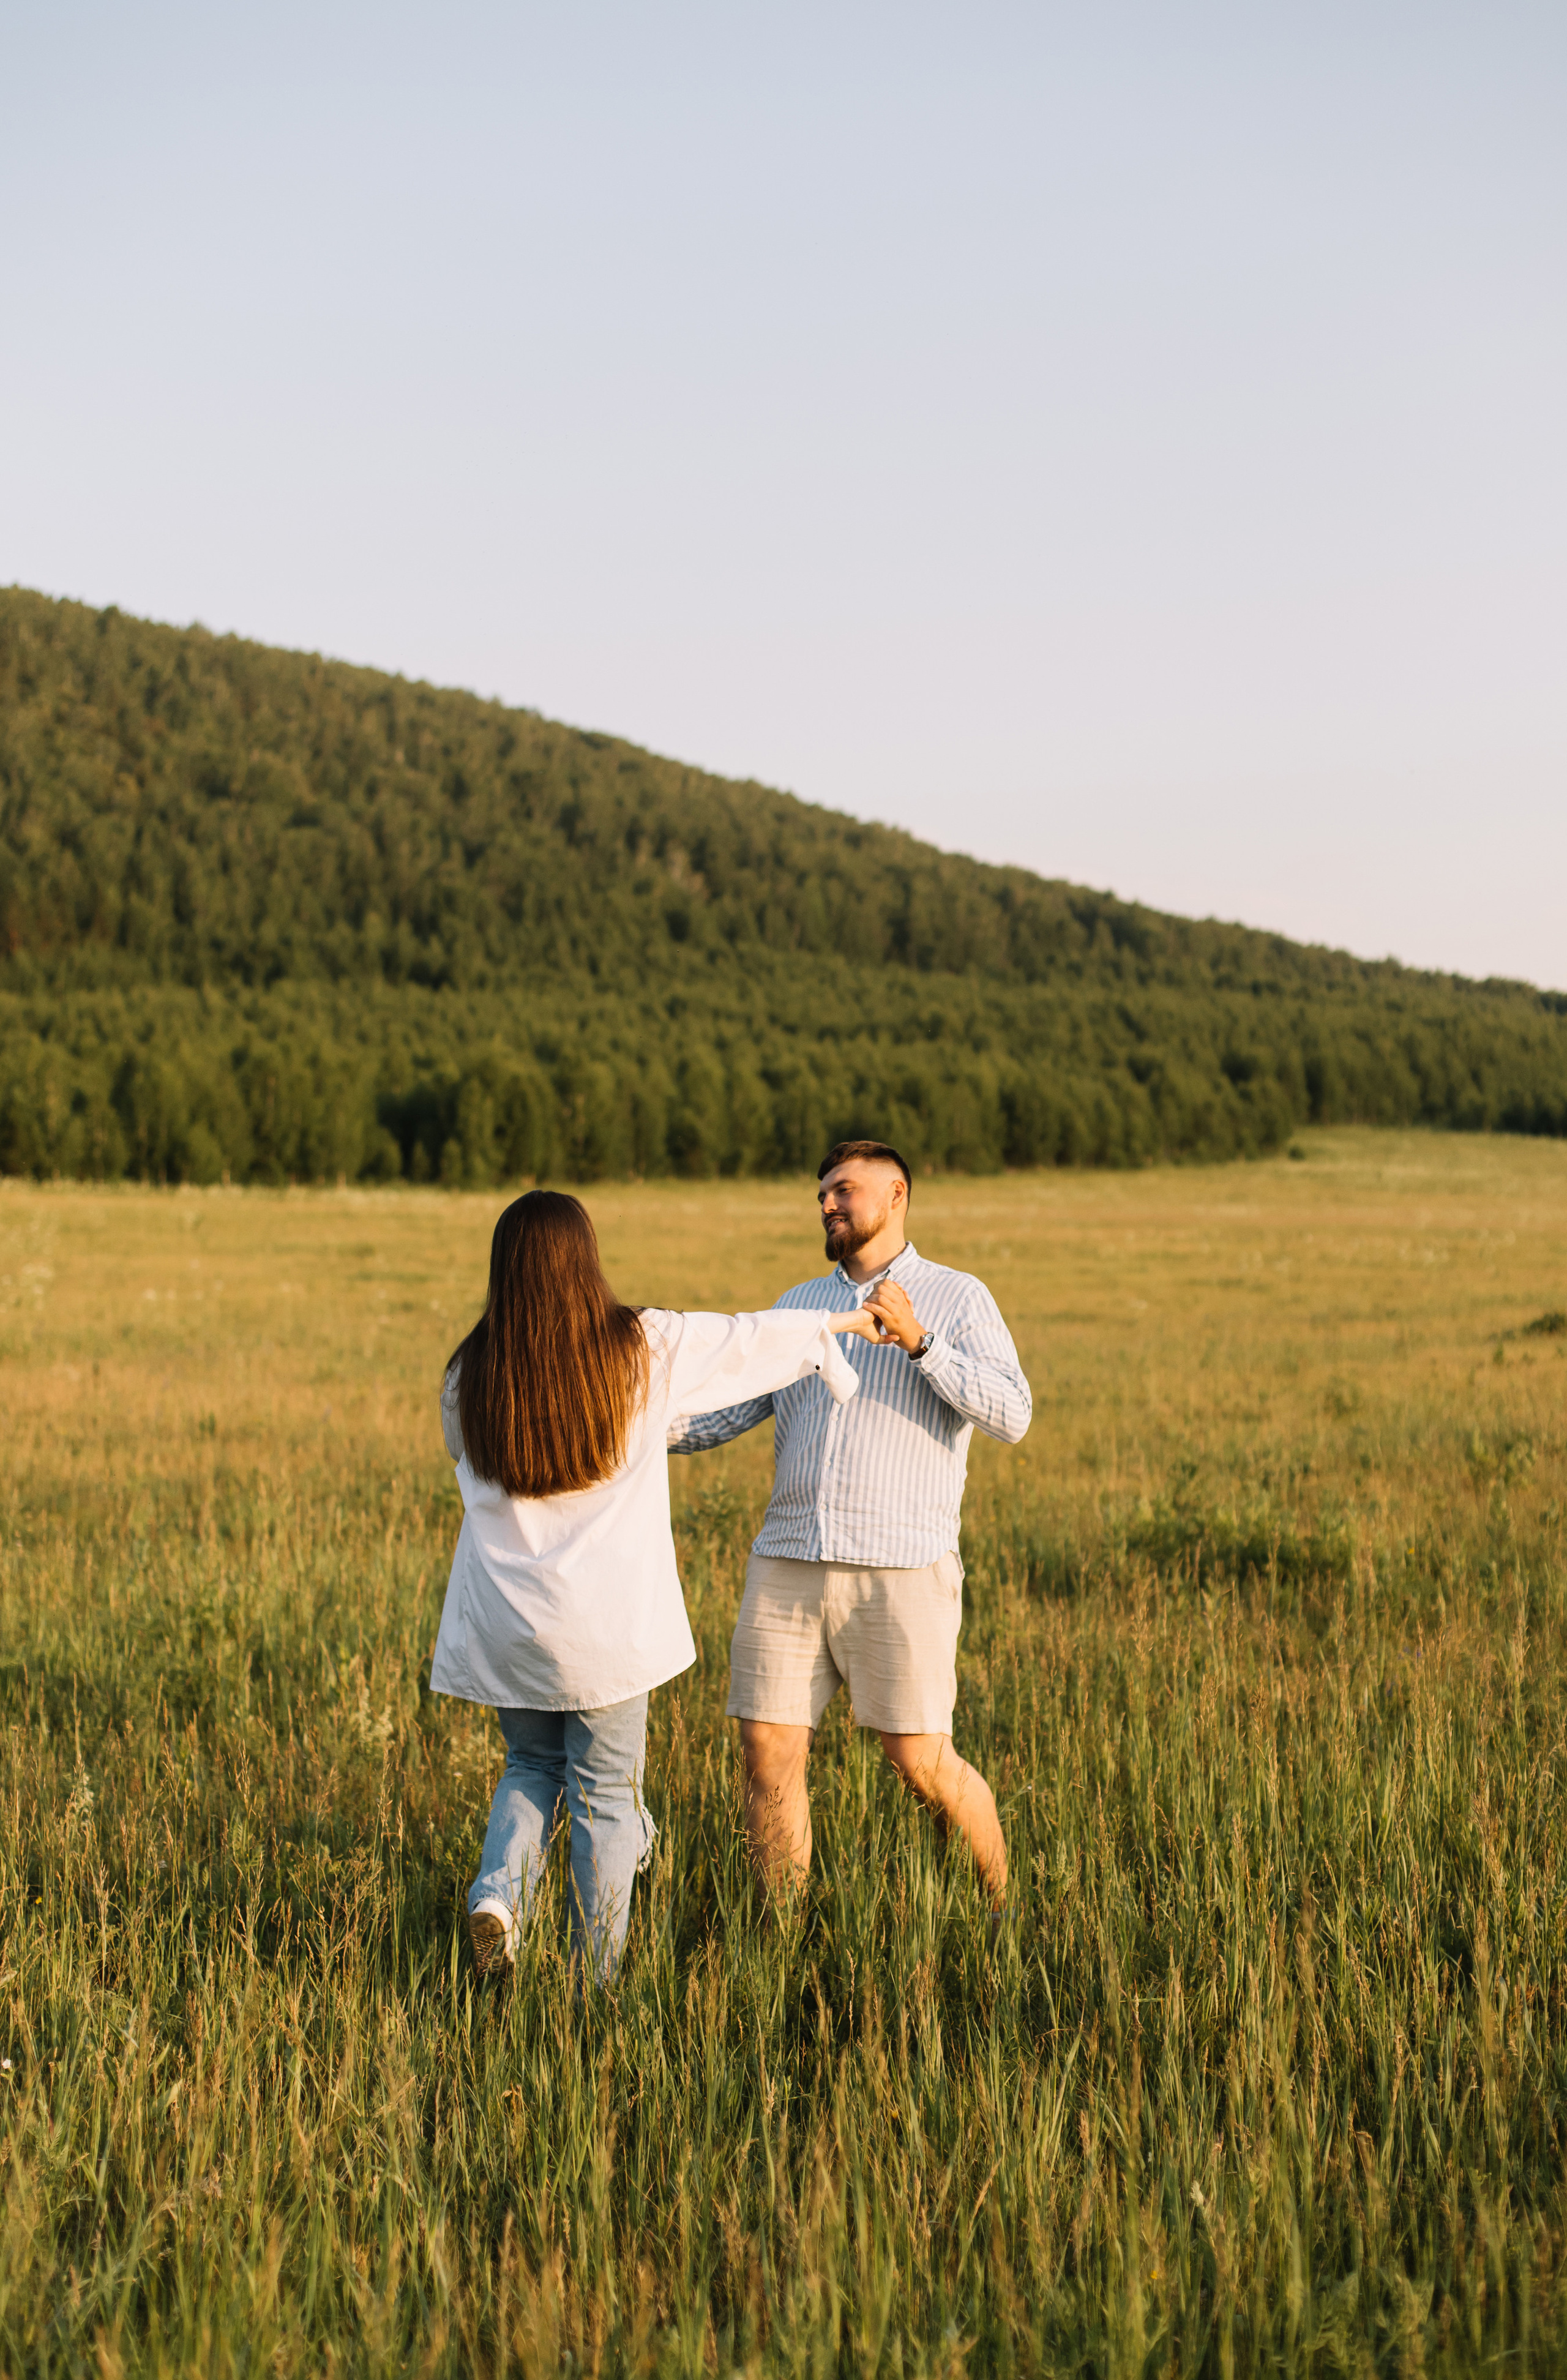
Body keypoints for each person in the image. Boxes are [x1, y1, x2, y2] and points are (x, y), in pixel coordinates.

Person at [430, 1189, 880, 1983]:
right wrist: (839, 1324)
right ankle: (591, 1979)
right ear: (585, 1262)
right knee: (605, 1795)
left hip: (507, 1622)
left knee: (531, 1768)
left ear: (503, 1269)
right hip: (605, 1632)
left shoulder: (468, 1374)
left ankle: (499, 1898)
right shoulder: (639, 1346)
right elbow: (742, 1341)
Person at [669, 1140, 1031, 1908]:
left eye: (844, 1190)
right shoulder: (799, 1304)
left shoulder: (958, 1297)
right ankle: (781, 1939)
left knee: (918, 1759)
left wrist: (921, 1344)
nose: (829, 1205)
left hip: (899, 1567)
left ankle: (1001, 1911)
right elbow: (731, 1409)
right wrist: (632, 1426)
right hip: (788, 1559)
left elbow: (1014, 1415)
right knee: (766, 1753)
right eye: (822, 1195)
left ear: (896, 1194)